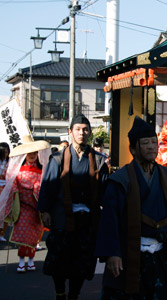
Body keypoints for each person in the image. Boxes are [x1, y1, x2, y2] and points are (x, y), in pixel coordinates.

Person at [96, 116, 167, 299]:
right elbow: (110, 220)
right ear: (132, 149)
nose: (152, 147)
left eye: (154, 142)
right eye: (145, 143)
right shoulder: (120, 180)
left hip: (160, 254)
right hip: (130, 255)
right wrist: (112, 254)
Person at [37, 114, 109, 300]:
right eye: (77, 129)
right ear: (70, 132)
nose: (82, 133)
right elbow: (48, 185)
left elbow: (104, 192)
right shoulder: (58, 158)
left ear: (90, 132)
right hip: (62, 217)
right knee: (59, 260)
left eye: (85, 129)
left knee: (82, 262)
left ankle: (74, 295)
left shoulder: (99, 160)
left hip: (87, 219)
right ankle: (60, 293)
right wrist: (45, 210)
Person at [0, 136, 51, 272]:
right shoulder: (19, 170)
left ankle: (31, 260)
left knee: (34, 236)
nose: (32, 156)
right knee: (23, 235)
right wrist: (16, 191)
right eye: (29, 153)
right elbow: (13, 183)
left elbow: (44, 185)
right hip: (22, 206)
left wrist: (37, 188)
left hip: (36, 207)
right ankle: (22, 261)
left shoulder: (42, 170)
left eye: (34, 153)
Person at [0, 142, 10, 242]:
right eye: (3, 152)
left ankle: (2, 232)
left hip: (6, 187)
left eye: (7, 152)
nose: (5, 154)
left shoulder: (10, 162)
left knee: (4, 213)